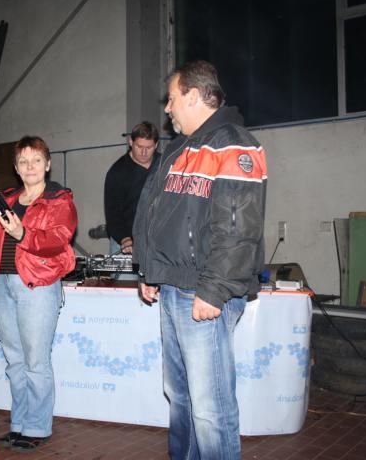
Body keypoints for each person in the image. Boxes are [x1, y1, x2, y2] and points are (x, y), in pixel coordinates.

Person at [133, 60, 267, 459]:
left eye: (172, 98)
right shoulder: (179, 149)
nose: (167, 108)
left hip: (203, 291)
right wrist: (150, 270)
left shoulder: (233, 144)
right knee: (180, 395)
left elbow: (238, 228)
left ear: (193, 96)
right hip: (174, 286)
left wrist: (214, 289)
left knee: (210, 409)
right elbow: (159, 216)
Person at [0, 136, 77, 452]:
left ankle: (37, 426)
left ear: (48, 164)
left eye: (36, 160)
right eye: (23, 161)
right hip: (4, 283)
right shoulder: (6, 197)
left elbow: (58, 239)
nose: (30, 166)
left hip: (37, 285)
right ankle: (19, 422)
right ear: (16, 168)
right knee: (14, 360)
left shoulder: (59, 200)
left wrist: (22, 233)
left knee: (35, 361)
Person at [104, 121, 160, 255]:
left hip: (157, 241)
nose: (144, 152)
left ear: (156, 145)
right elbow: (113, 213)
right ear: (130, 142)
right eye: (139, 146)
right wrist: (125, 238)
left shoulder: (164, 164)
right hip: (125, 241)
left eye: (149, 147)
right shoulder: (117, 172)